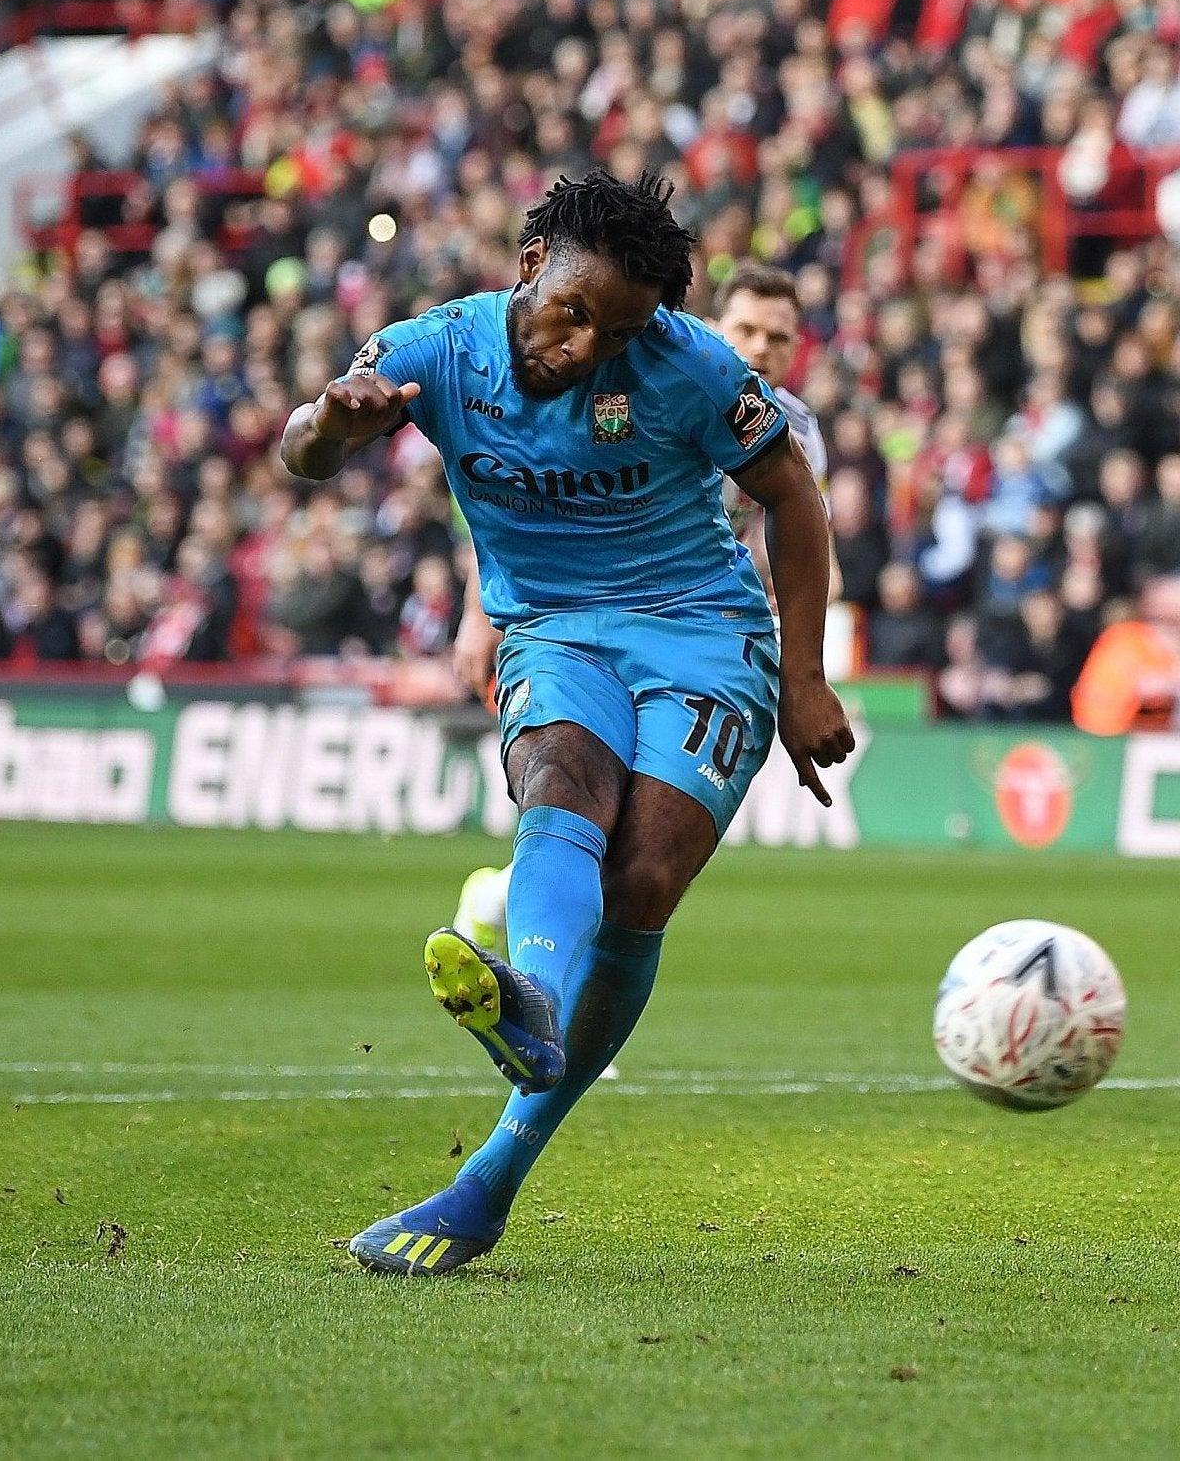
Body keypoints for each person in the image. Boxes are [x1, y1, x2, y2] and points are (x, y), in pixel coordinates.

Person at [280, 173, 852, 1268]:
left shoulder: (687, 364)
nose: (586, 346)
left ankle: (487, 1183)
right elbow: (298, 453)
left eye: (617, 330)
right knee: (560, 786)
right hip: (549, 627)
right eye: (573, 313)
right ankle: (529, 996)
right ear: (531, 259)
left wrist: (803, 680)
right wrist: (327, 428)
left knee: (639, 884)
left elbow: (794, 494)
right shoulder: (436, 349)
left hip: (700, 633)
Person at [450, 262, 836, 956]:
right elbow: (534, 507)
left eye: (779, 337)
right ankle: (538, 964)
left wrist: (782, 661)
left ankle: (511, 918)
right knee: (591, 799)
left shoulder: (795, 435)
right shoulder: (663, 386)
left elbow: (778, 542)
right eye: (746, 328)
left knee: (642, 838)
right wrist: (479, 616)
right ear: (714, 327)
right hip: (584, 619)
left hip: (691, 631)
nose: (761, 348)